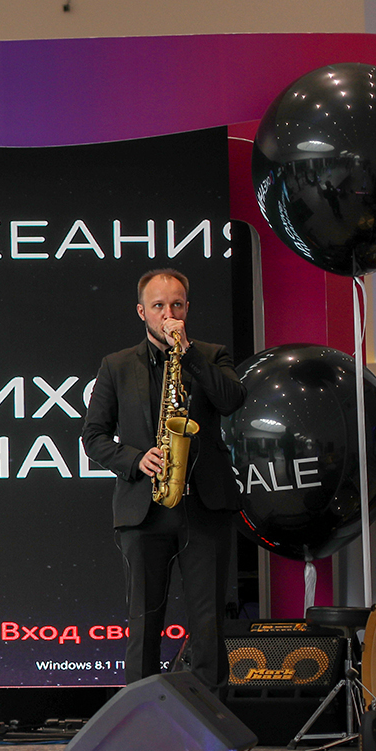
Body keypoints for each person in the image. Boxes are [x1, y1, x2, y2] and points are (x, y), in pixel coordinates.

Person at [80, 269, 245, 687]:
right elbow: (93, 437)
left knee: (208, 625)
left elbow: (231, 400)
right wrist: (137, 459)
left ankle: (210, 726)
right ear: (142, 312)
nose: (169, 314)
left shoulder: (212, 355)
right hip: (145, 509)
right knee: (143, 624)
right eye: (158, 306)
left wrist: (188, 353)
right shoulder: (117, 366)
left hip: (204, 507)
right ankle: (141, 722)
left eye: (177, 305)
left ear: (187, 308)